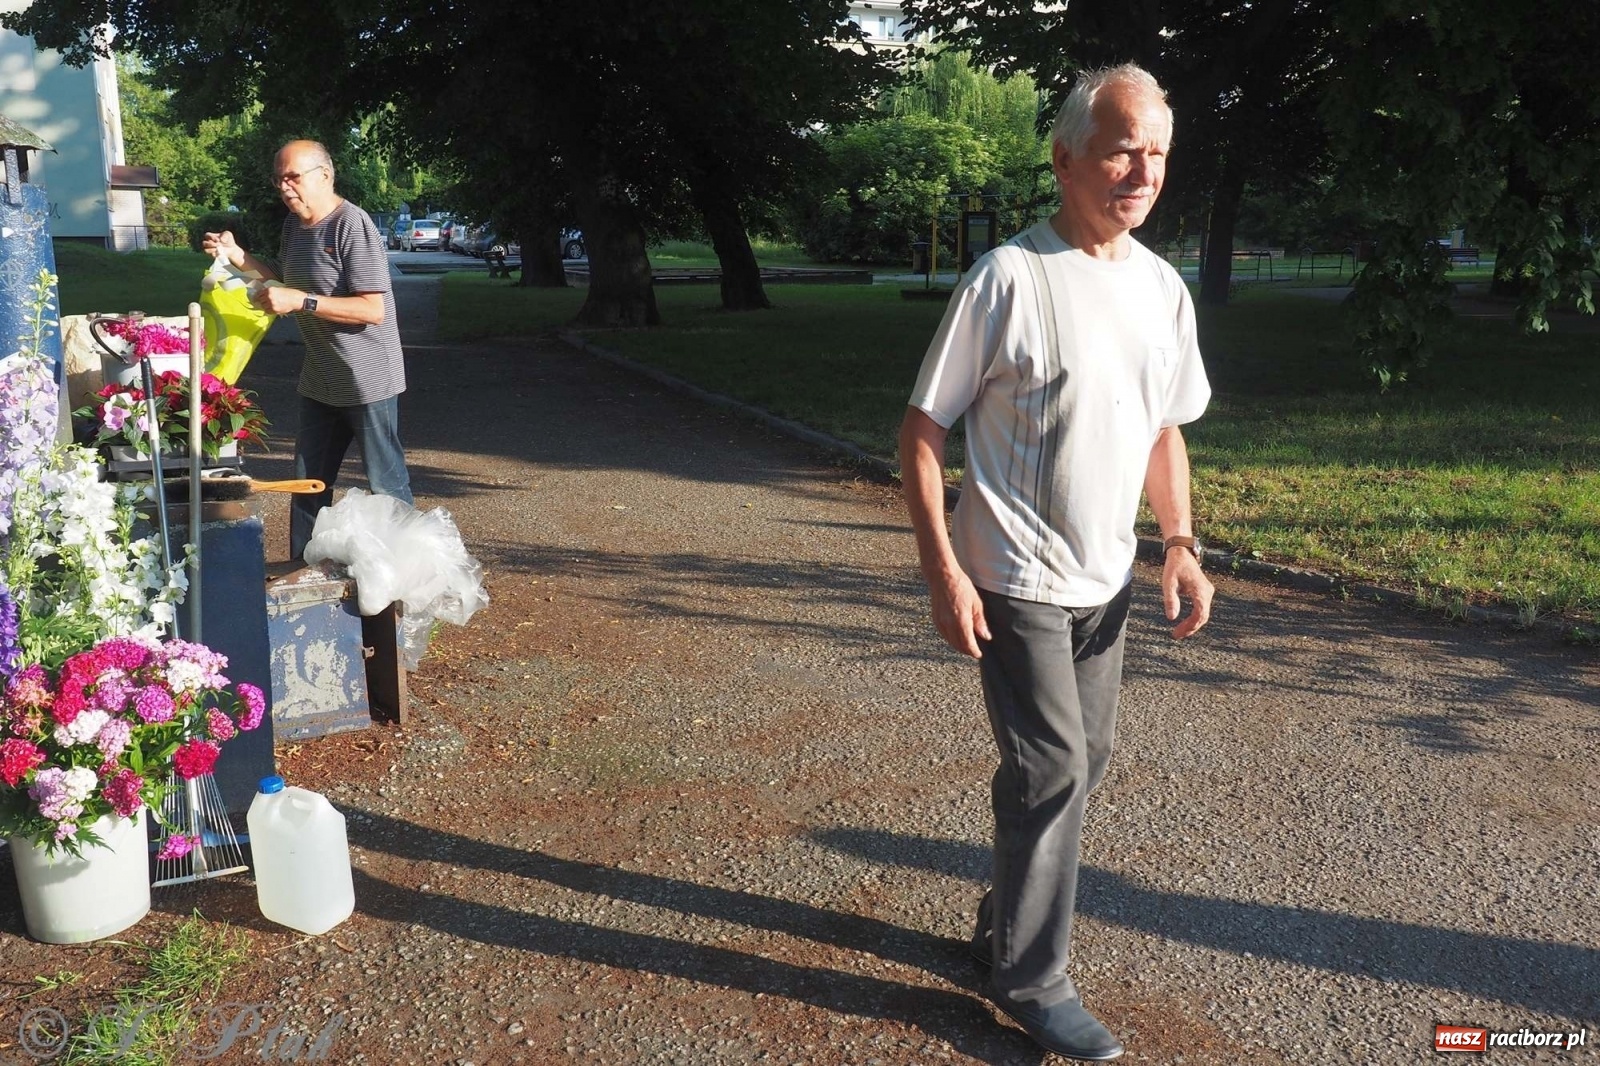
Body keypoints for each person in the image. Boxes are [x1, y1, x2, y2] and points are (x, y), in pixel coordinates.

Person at [898, 64, 1214, 1061]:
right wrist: (943, 569)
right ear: (1065, 156)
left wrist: (1180, 543)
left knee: (1082, 767)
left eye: (1156, 151)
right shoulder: (1007, 277)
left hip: (1103, 582)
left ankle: (1002, 926)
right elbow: (918, 430)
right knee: (1050, 767)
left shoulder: (1162, 289)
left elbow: (1165, 431)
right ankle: (1032, 980)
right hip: (1011, 578)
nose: (1142, 169)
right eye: (1123, 145)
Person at [203, 139, 413, 560]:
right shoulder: (294, 227)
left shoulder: (352, 225)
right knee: (307, 484)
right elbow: (283, 278)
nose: (285, 188)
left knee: (385, 484)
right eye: (279, 179)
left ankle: (404, 578)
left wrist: (302, 302)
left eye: (293, 177)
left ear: (325, 175)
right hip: (321, 376)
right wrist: (236, 256)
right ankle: (302, 573)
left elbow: (373, 309)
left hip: (368, 378)